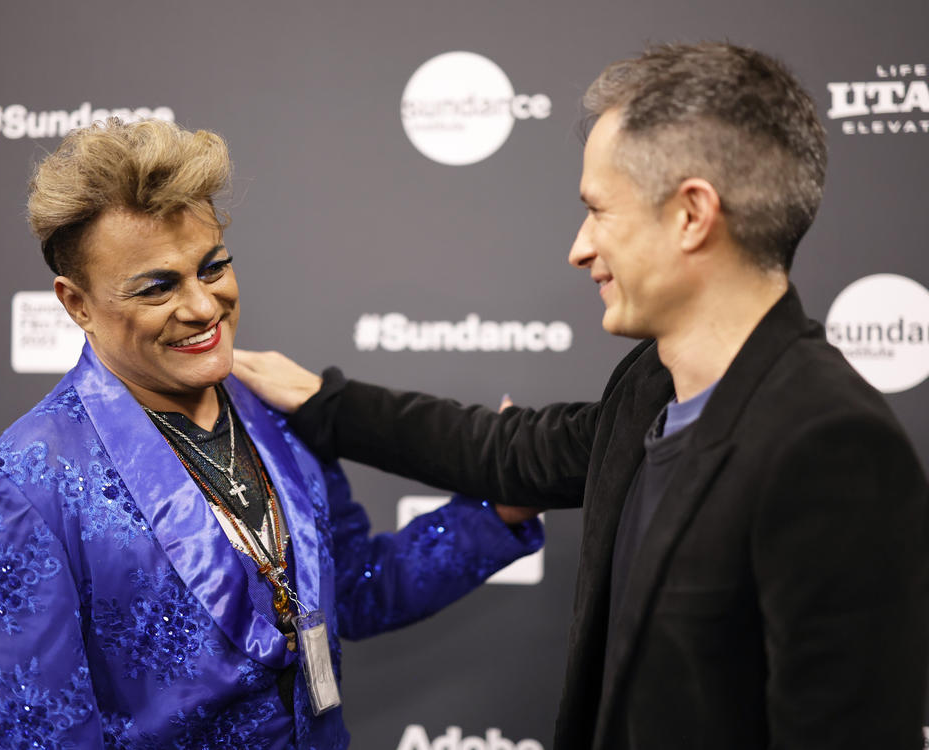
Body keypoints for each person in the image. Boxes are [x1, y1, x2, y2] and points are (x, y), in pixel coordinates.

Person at [233, 42, 929, 749]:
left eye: (599, 210)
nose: (579, 247)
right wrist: (327, 404)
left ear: (692, 215)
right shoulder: (646, 386)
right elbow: (502, 452)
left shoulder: (833, 446)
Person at [0, 118, 543, 749]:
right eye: (157, 287)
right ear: (77, 304)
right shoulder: (22, 484)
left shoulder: (275, 411)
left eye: (213, 267)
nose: (203, 306)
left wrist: (495, 512)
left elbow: (355, 588)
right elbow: (31, 736)